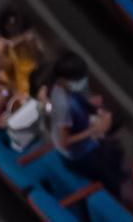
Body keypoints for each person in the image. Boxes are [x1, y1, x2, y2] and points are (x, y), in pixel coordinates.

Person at [48, 53, 125, 191]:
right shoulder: (63, 106)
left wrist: (93, 109)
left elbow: (77, 98)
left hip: (81, 127)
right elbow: (65, 143)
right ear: (64, 79)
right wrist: (94, 130)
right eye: (78, 79)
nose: (82, 81)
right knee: (106, 177)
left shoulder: (61, 88)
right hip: (77, 155)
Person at [0, 4, 47, 103]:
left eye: (15, 21)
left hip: (39, 79)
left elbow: (41, 60)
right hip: (24, 89)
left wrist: (32, 45)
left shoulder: (29, 36)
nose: (13, 25)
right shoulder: (2, 45)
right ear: (4, 25)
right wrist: (5, 52)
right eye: (9, 23)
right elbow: (8, 74)